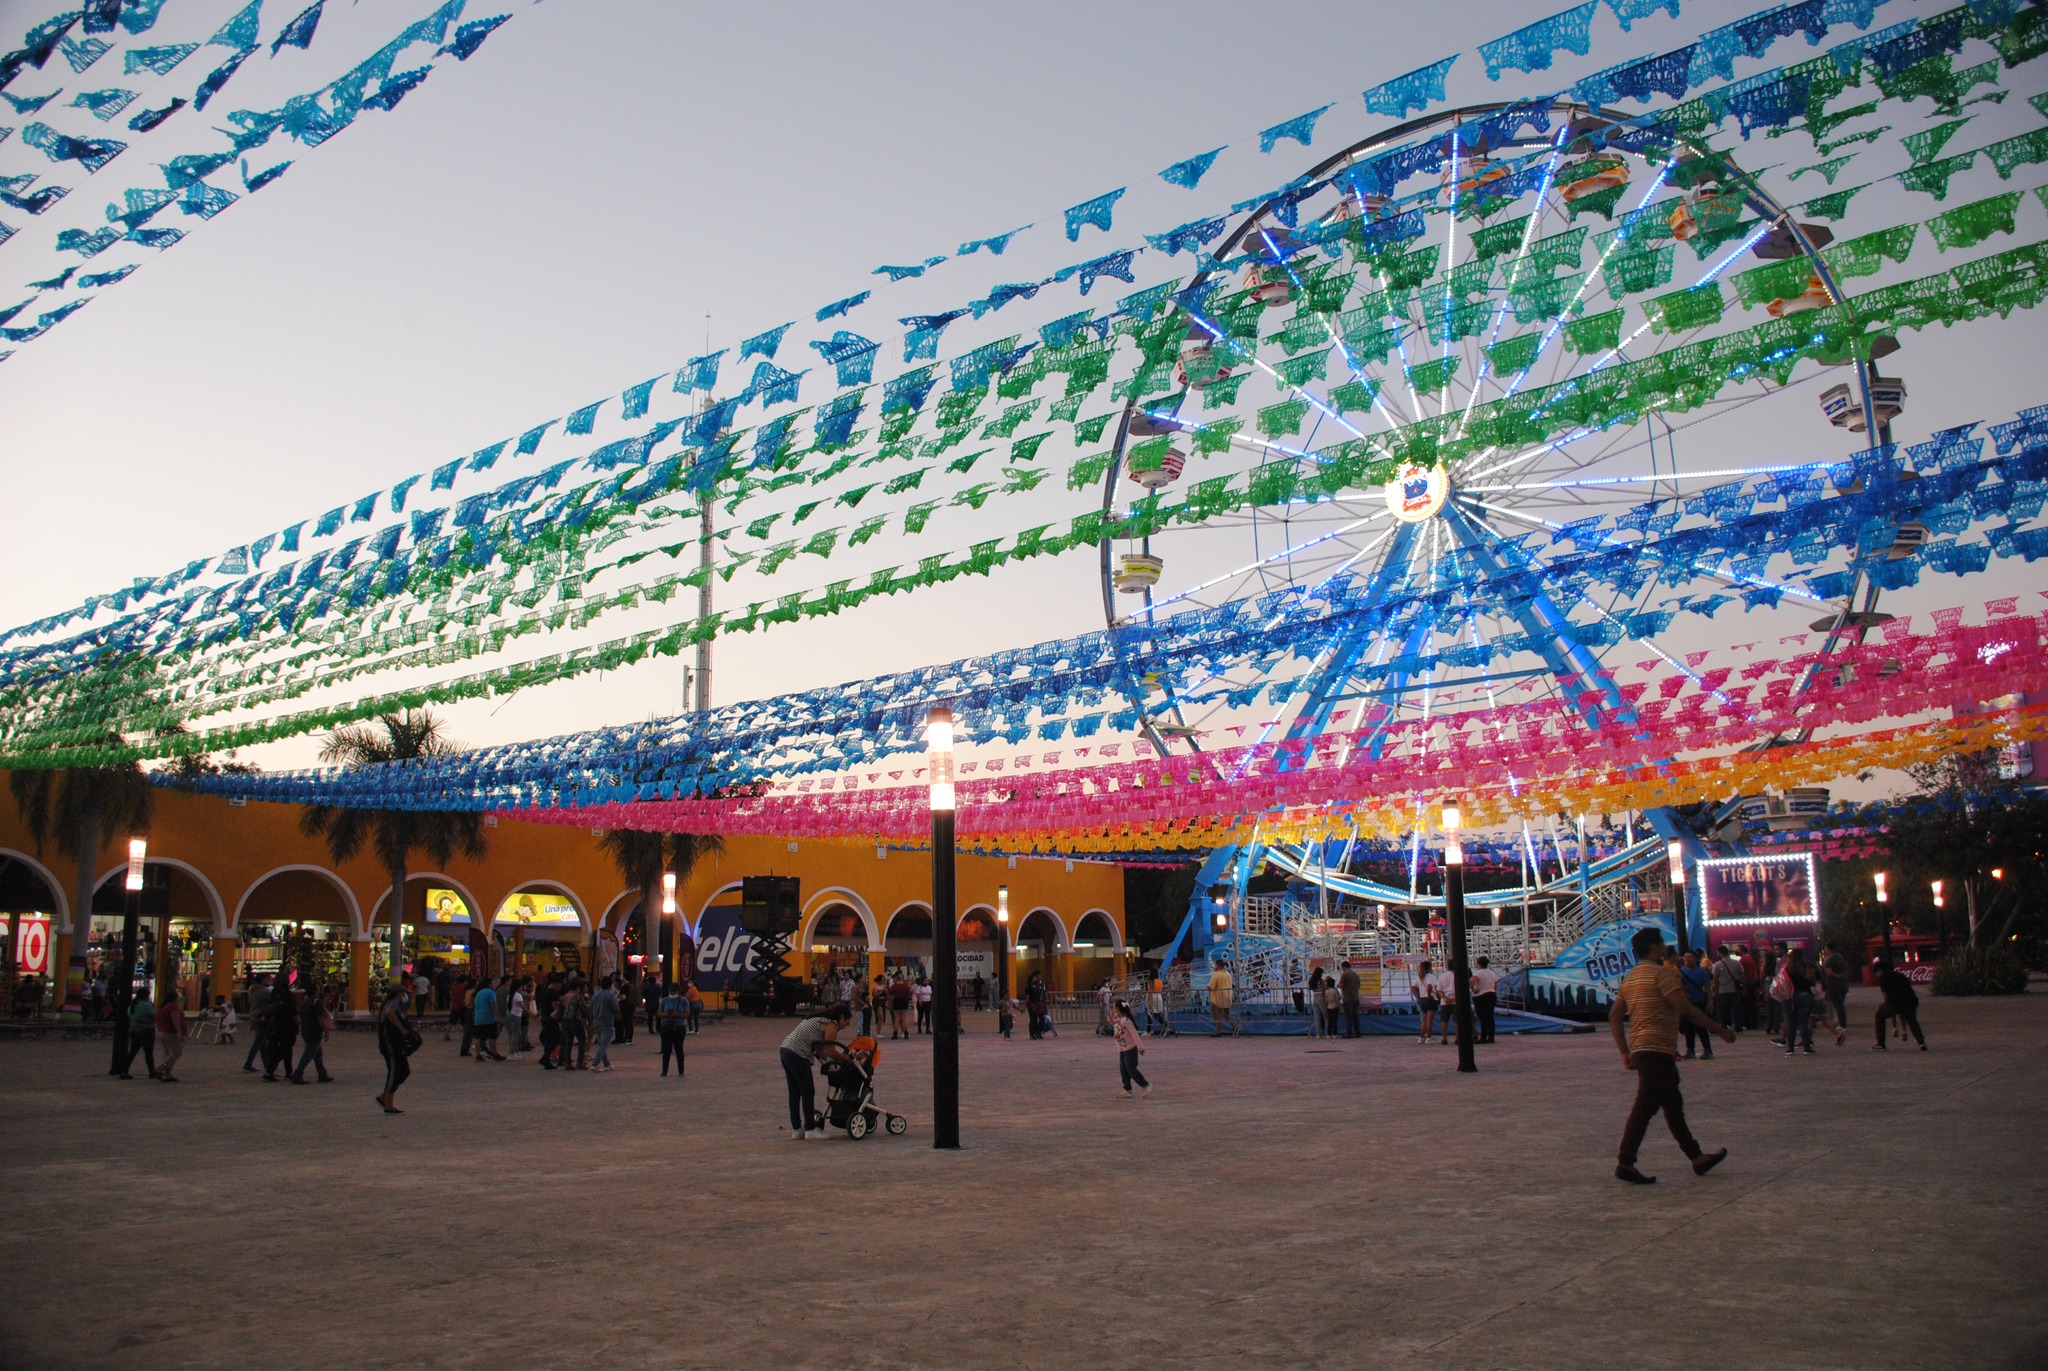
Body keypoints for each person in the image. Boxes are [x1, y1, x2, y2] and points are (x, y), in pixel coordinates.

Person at [1609, 926, 1734, 1184]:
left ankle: (1696, 1157)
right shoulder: (1662, 975)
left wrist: (1624, 1051)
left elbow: (1615, 1016)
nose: (1666, 947)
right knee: (1644, 1108)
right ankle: (1625, 1161)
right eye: (1662, 943)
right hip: (1656, 1051)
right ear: (1654, 947)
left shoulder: (1631, 978)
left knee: (1673, 1106)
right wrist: (1718, 1029)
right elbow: (1685, 1009)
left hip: (1646, 1050)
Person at [779, 1002, 853, 1140]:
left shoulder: (818, 1020)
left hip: (785, 1050)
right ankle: (810, 1129)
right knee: (808, 1091)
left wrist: (833, 1062)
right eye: (846, 1023)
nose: (844, 1027)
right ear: (841, 1017)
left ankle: (797, 1129)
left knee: (795, 1092)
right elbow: (831, 1051)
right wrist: (848, 1059)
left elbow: (822, 1052)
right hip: (798, 1054)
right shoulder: (831, 1025)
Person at [1873, 957, 1927, 1051]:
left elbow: (1886, 997)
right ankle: (1921, 1042)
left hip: (1896, 1002)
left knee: (1879, 1015)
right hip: (1911, 1001)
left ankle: (1880, 1043)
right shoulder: (1900, 975)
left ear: (1879, 971)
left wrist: (1882, 1006)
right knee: (1912, 1020)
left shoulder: (1883, 978)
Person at [376, 979, 414, 1114]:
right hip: (390, 1044)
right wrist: (401, 1028)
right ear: (398, 994)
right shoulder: (393, 1003)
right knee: (394, 1071)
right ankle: (389, 1104)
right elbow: (390, 1013)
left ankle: (384, 1096)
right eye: (403, 994)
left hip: (396, 1043)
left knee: (404, 1070)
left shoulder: (396, 1004)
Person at [290, 982, 335, 1084]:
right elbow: (320, 1018)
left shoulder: (306, 1001)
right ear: (315, 991)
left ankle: (322, 1073)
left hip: (307, 1029)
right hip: (314, 1030)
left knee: (317, 1053)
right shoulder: (317, 1002)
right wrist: (326, 1030)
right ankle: (298, 1073)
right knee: (309, 1053)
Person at [1781, 946, 1820, 1055]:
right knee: (1803, 1022)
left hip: (1790, 997)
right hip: (1805, 996)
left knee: (1791, 1022)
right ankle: (1806, 1048)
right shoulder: (1806, 967)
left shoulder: (1786, 968)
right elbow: (1813, 981)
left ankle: (1790, 1048)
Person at [1677, 951, 1715, 1061]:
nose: (1688, 959)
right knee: (1688, 1028)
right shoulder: (1680, 972)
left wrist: (1710, 1003)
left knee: (1701, 1027)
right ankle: (1690, 1049)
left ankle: (1707, 1049)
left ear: (1695, 959)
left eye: (1690, 957)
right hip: (1686, 1004)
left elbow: (1708, 989)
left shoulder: (1701, 972)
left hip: (1699, 1003)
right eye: (1686, 957)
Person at [1112, 1000, 1151, 1098]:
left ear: (1117, 1009)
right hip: (1122, 1050)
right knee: (1123, 1070)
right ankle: (1127, 1089)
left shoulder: (1127, 1021)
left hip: (1130, 1049)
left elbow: (1134, 1034)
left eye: (1114, 1008)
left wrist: (1140, 1047)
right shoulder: (1118, 1019)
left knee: (1131, 1069)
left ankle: (1146, 1085)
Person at [262, 983, 298, 1082]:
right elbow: (296, 1018)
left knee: (283, 1052)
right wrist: (298, 1028)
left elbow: (265, 1017)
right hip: (288, 1031)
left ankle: (286, 1071)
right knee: (283, 1052)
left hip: (276, 1031)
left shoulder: (274, 1006)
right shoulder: (289, 1006)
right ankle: (271, 1071)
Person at [120, 991, 157, 1080]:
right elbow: (155, 1016)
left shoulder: (132, 1006)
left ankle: (124, 1070)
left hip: (134, 1030)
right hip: (146, 1030)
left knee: (132, 1052)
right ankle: (152, 1071)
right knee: (148, 1053)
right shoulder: (146, 1006)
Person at [242, 973, 273, 1073]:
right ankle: (248, 1063)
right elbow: (270, 1003)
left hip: (254, 1015)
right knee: (259, 1042)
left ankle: (266, 1064)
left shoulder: (252, 990)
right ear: (263, 980)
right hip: (261, 1017)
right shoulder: (264, 992)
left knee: (262, 1042)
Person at [154, 988, 186, 1082]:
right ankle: (160, 1068)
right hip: (170, 1032)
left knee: (167, 1053)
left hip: (161, 1032)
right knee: (177, 1052)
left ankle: (168, 1074)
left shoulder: (162, 1007)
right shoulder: (173, 1007)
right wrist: (179, 1032)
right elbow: (176, 1019)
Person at [1820, 941, 1852, 1033]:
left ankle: (1842, 1024)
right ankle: (1842, 1023)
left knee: (1838, 1005)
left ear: (1828, 949)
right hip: (1843, 984)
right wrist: (1844, 976)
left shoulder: (1828, 960)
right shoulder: (1841, 957)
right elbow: (1846, 968)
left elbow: (1829, 973)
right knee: (1841, 1004)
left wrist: (1838, 976)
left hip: (1833, 985)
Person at [1710, 945, 1743, 1034]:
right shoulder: (1737, 963)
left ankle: (1724, 1026)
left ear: (1720, 953)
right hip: (1735, 990)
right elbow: (1742, 976)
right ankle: (1738, 1028)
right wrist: (1744, 987)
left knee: (1724, 1011)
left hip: (1723, 991)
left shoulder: (1718, 965)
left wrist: (1715, 991)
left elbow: (1715, 979)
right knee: (1737, 1010)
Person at [590, 975, 620, 1071]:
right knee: (605, 1044)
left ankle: (606, 1064)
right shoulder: (610, 995)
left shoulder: (596, 995)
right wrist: (618, 1016)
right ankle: (595, 1063)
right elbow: (615, 1008)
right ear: (610, 985)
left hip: (596, 1021)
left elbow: (590, 1009)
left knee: (601, 1044)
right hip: (607, 1021)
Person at [658, 982, 689, 1077]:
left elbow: (687, 1014)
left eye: (673, 991)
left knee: (679, 1049)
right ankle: (664, 1071)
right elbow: (659, 1013)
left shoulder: (683, 1001)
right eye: (670, 990)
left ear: (678, 991)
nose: (672, 992)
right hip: (667, 1027)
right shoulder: (665, 1000)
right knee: (666, 1050)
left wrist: (678, 1015)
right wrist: (667, 1014)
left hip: (679, 1027)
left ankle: (681, 1071)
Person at [558, 978, 589, 1070]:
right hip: (575, 1020)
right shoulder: (577, 996)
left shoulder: (566, 996)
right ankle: (580, 1062)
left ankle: (567, 1062)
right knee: (582, 1040)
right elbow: (584, 1008)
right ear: (578, 987)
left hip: (565, 1020)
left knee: (568, 1042)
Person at [471, 977, 503, 1063]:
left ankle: (478, 1055)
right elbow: (493, 1005)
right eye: (493, 983)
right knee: (492, 1037)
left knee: (477, 1037)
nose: (494, 985)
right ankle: (495, 1053)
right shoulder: (491, 993)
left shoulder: (478, 993)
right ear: (489, 984)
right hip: (488, 1018)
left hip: (478, 1018)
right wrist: (497, 1016)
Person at [1471, 956, 1500, 1044]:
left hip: (1480, 996)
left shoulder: (1478, 973)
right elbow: (1495, 985)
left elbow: (1471, 981)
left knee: (1482, 1018)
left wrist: (1473, 989)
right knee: (1490, 1017)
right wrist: (1493, 991)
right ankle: (1491, 1037)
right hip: (1491, 994)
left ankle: (1483, 1036)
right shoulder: (1492, 973)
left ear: (1478, 964)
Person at [1206, 959, 1235, 1037]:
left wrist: (1207, 987)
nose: (1215, 967)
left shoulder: (1216, 975)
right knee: (1226, 1014)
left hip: (1217, 999)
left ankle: (1218, 1031)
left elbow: (1210, 986)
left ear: (1218, 966)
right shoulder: (1228, 974)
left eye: (1215, 965)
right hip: (1227, 997)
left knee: (1217, 1016)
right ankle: (1235, 1027)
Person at [1414, 960, 1439, 1044]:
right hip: (1430, 1000)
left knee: (1424, 1020)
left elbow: (1413, 987)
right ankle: (1428, 1037)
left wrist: (1418, 997)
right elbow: (1429, 986)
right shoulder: (1430, 977)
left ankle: (1421, 1037)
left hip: (1422, 999)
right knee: (1429, 1020)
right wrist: (1429, 994)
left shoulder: (1419, 977)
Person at [507, 976, 531, 1058]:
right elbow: (522, 1005)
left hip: (512, 1014)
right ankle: (512, 1052)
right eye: (521, 987)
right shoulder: (518, 995)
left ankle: (515, 1051)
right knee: (516, 1034)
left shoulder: (511, 994)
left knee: (517, 1033)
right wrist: (529, 1012)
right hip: (516, 1015)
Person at [1338, 960, 1362, 1039]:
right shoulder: (1355, 975)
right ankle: (1357, 1032)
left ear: (1343, 967)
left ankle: (1349, 1033)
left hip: (1347, 998)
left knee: (1348, 1017)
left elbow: (1341, 985)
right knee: (1355, 1016)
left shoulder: (1344, 975)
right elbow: (1358, 985)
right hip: (1355, 997)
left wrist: (1337, 985)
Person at [888, 973, 912, 1040]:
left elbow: (890, 993)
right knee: (904, 1018)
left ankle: (895, 1034)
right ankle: (906, 1033)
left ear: (896, 978)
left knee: (897, 1018)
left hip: (896, 1001)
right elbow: (908, 993)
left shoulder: (894, 986)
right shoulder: (905, 985)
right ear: (902, 978)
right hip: (904, 1000)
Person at [1306, 969, 1327, 1039]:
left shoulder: (1311, 981)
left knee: (1317, 1017)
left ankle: (1318, 1034)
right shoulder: (1321, 981)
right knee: (1325, 1016)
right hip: (1321, 997)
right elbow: (1324, 989)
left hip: (1314, 998)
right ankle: (1328, 1032)